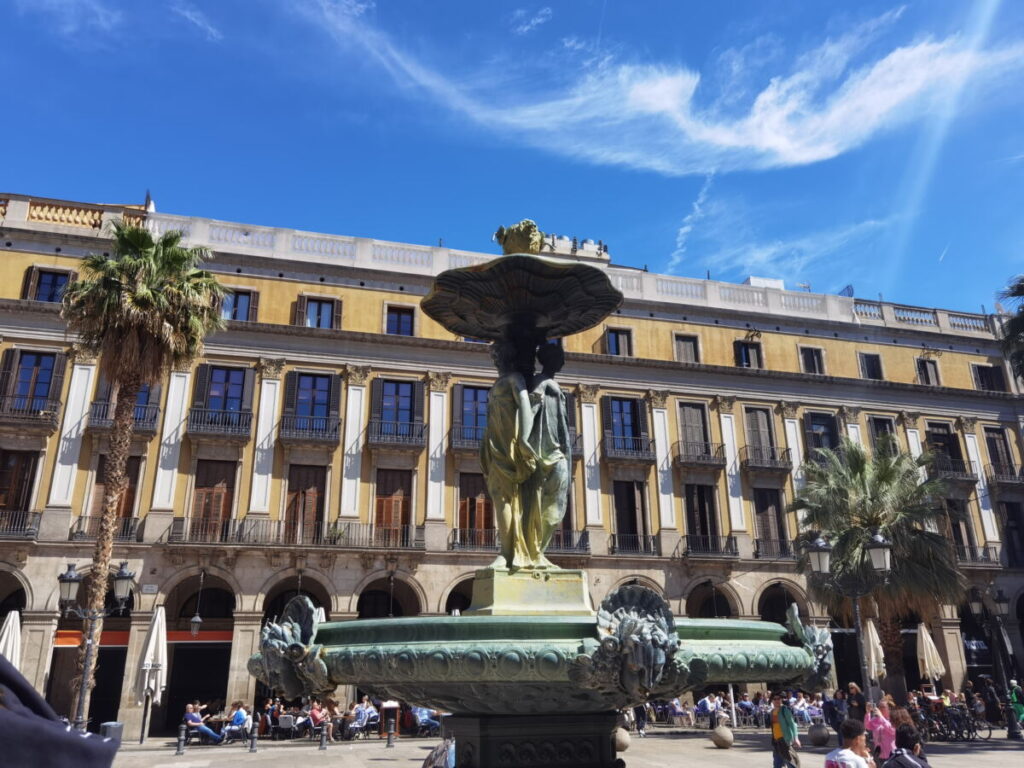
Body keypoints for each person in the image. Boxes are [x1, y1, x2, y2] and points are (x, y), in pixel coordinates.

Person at [480, 338, 539, 570]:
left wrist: (524, 438)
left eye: (498, 355)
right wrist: (484, 443)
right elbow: (491, 417)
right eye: (493, 356)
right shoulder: (498, 383)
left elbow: (524, 404)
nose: (495, 360)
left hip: (509, 446)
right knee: (498, 495)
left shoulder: (515, 379)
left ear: (508, 356)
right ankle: (507, 551)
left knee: (504, 496)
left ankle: (508, 553)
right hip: (494, 445)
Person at [522, 340, 571, 568]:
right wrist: (522, 439)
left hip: (557, 452)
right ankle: (533, 551)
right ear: (552, 359)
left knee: (556, 506)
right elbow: (531, 409)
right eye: (559, 357)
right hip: (542, 452)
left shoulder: (553, 384)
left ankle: (538, 550)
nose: (562, 361)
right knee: (537, 504)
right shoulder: (541, 382)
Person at [768, 692, 800, 768]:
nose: (776, 700)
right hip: (776, 742)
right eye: (775, 699)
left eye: (778, 699)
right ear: (772, 700)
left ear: (781, 700)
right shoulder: (772, 712)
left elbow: (793, 725)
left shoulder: (784, 710)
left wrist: (796, 738)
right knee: (777, 764)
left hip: (784, 740)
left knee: (790, 762)